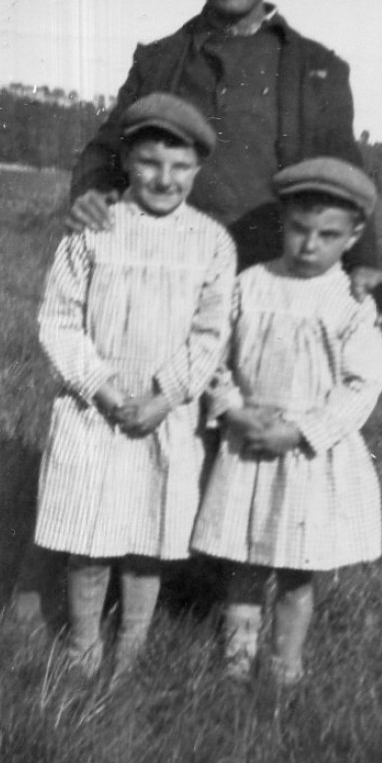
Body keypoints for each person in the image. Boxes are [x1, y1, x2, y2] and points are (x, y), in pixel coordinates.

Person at [68, 0, 382, 310]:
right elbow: (105, 151)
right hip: (164, 282)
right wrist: (91, 193)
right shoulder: (158, 61)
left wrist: (364, 263)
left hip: (272, 288)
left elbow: (343, 175)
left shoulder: (317, 70)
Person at [34, 93, 235, 681]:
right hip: (92, 410)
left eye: (180, 167)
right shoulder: (93, 230)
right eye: (149, 162)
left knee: (150, 535)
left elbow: (211, 334)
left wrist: (166, 395)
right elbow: (60, 319)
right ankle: (82, 644)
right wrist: (98, 387)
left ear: (198, 170)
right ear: (126, 160)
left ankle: (133, 646)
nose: (164, 178)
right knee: (89, 537)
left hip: (162, 414)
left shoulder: (211, 243)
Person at [190, 157, 382, 685]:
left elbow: (363, 383)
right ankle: (234, 664)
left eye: (327, 235)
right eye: (299, 230)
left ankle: (284, 664)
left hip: (305, 454)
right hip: (249, 442)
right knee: (245, 564)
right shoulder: (249, 284)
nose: (308, 246)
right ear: (284, 222)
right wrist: (232, 409)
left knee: (299, 571)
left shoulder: (350, 302)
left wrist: (303, 431)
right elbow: (215, 357)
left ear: (353, 236)